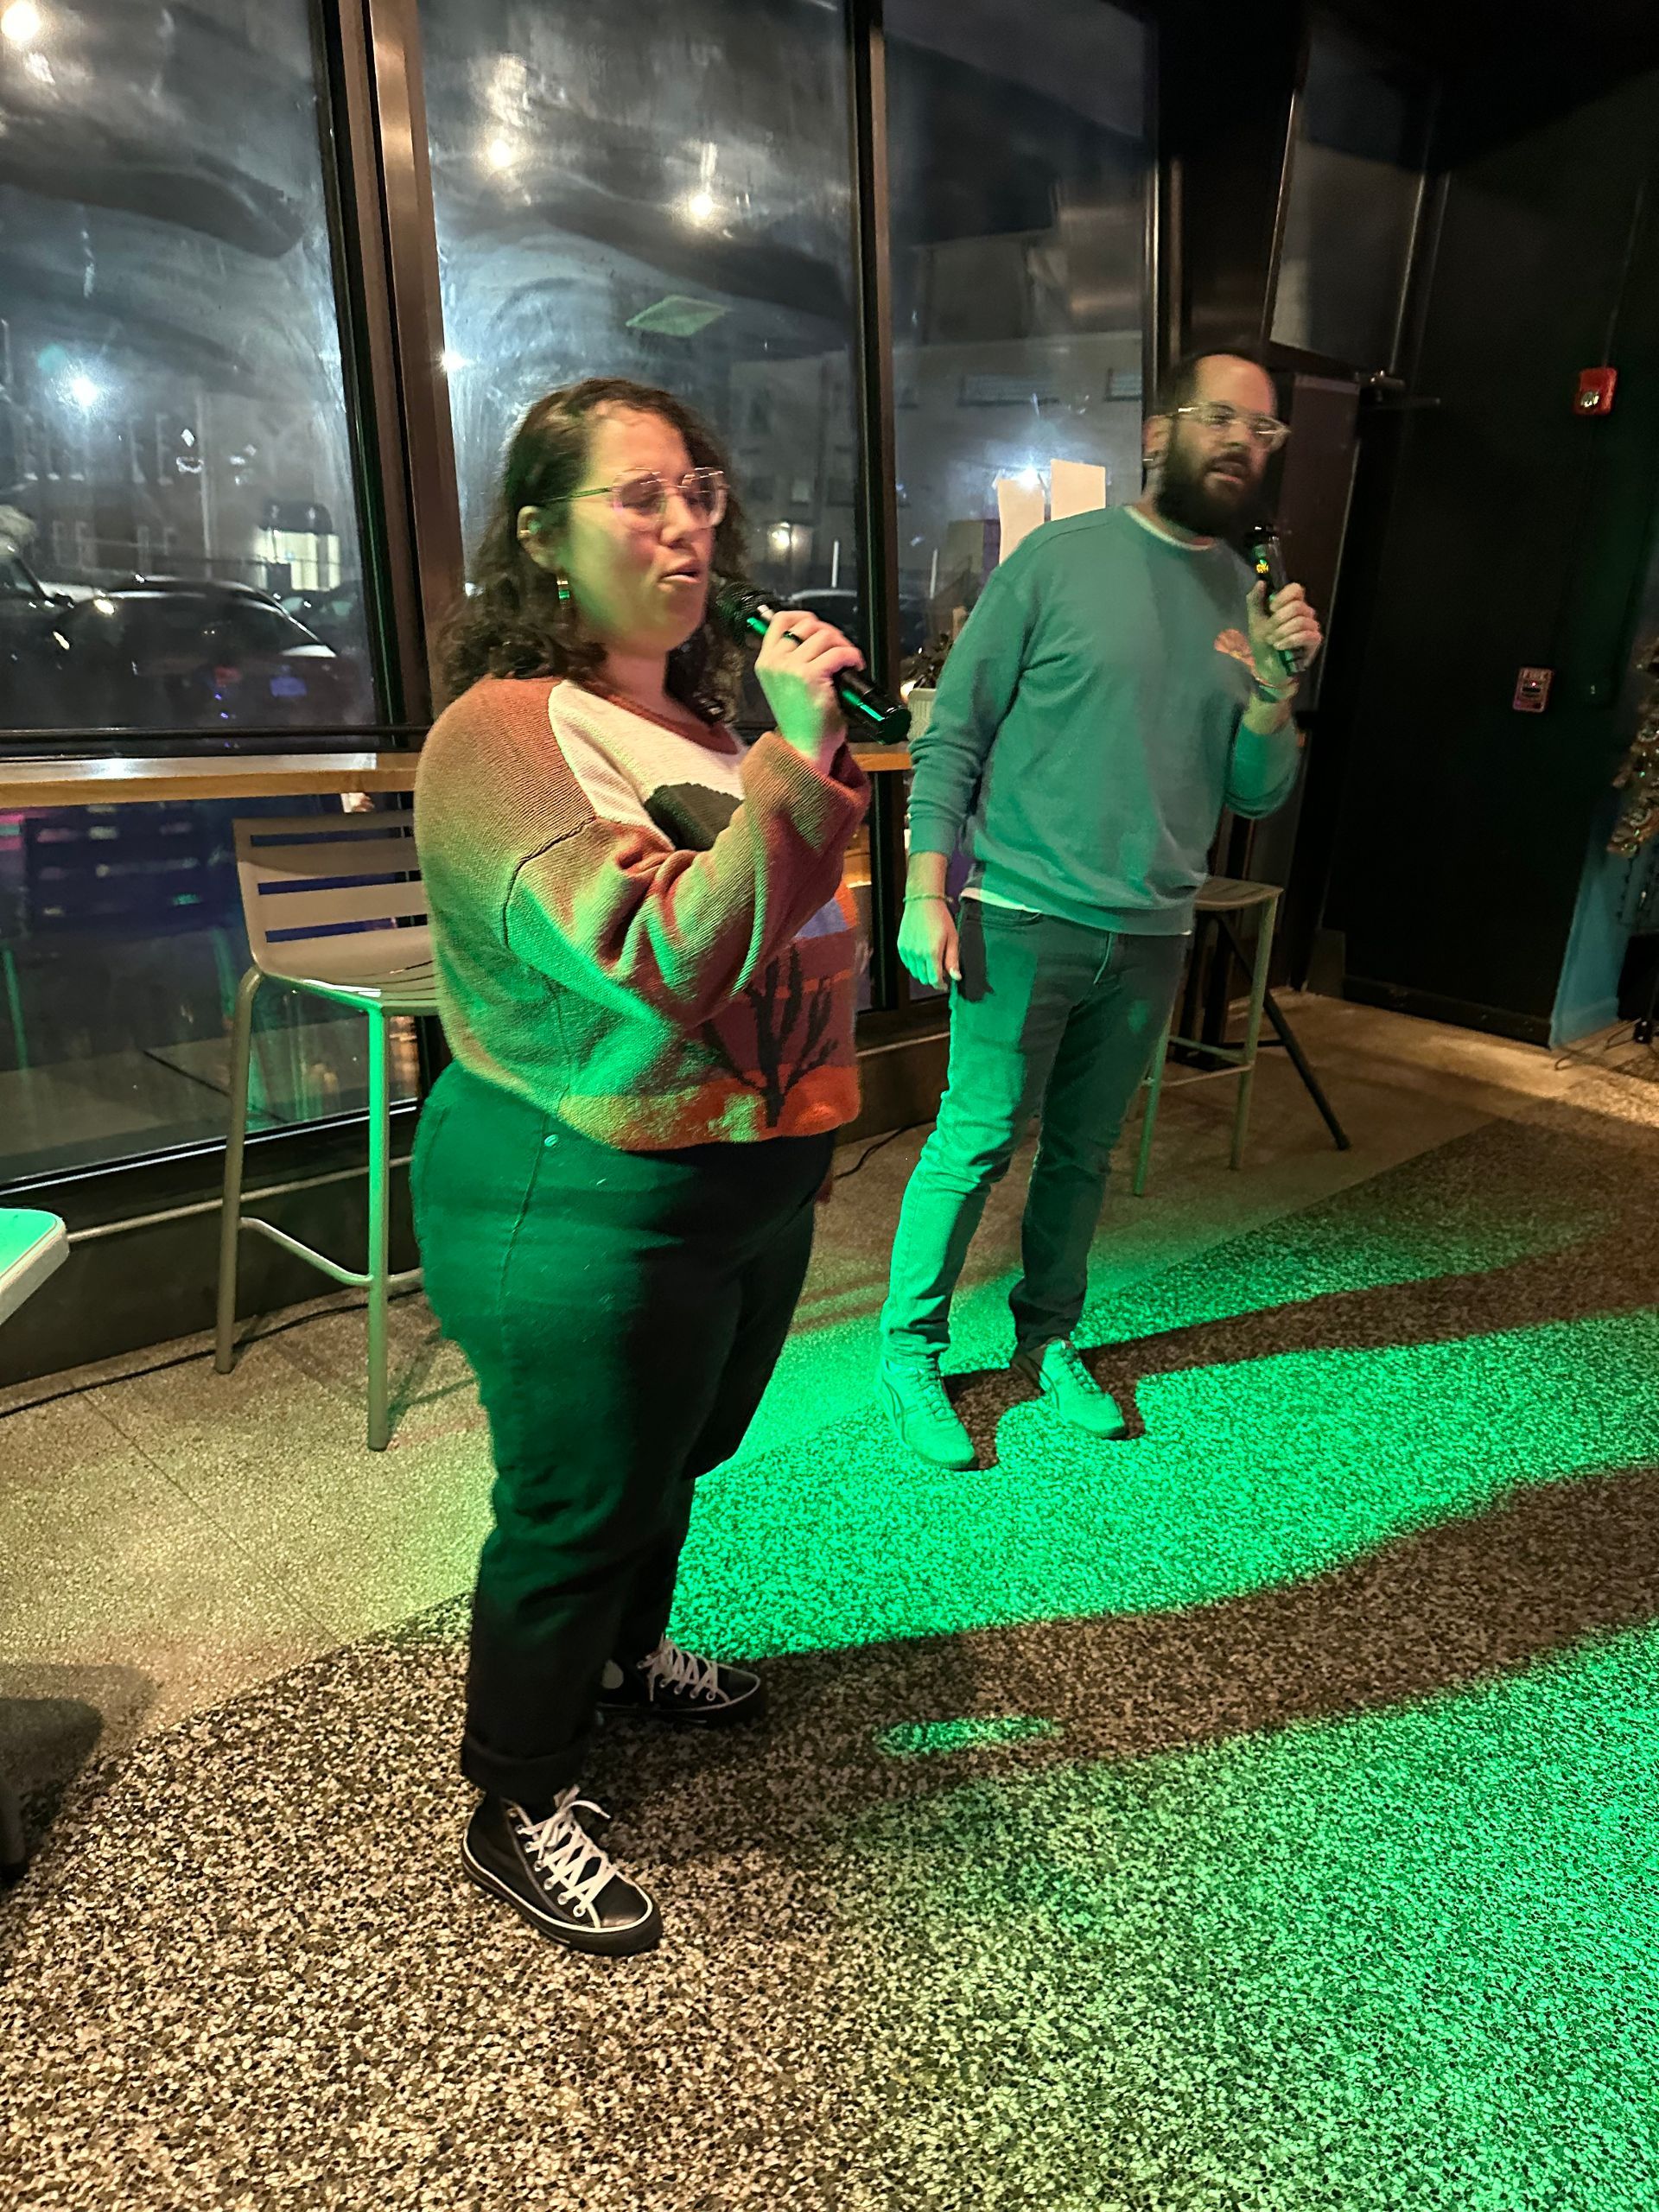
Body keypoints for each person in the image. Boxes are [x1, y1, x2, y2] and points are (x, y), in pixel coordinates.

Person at [413, 377, 868, 1955]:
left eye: (701, 492)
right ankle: (517, 1790)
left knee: (674, 1459)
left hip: (736, 1183)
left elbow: (791, 931)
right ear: (544, 539)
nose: (687, 528)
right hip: (577, 1191)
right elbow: (658, 951)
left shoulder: (700, 727)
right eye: (640, 497)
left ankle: (624, 1658)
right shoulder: (505, 737)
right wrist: (800, 762)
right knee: (578, 1498)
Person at [879, 346, 1323, 1468]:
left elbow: (1254, 792)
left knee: (1082, 1152)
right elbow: (954, 733)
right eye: (1219, 418)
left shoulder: (1250, 596)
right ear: (1159, 434)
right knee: (977, 1140)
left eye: (1262, 429)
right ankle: (910, 1351)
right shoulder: (1058, 559)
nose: (1240, 443)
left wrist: (1276, 695)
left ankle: (1048, 1337)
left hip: (1152, 930)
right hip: (1020, 914)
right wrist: (926, 891)